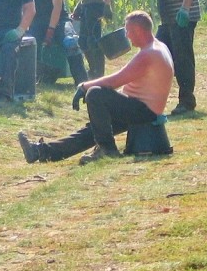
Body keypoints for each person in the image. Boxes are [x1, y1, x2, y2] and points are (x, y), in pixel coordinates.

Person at [17, 11, 174, 165]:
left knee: (95, 94)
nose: (127, 35)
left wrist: (84, 86)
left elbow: (115, 80)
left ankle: (107, 149)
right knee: (93, 130)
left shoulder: (148, 55)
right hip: (140, 108)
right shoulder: (158, 47)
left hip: (145, 112)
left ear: (138, 30)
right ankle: (41, 151)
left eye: (128, 31)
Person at [150, 0, 202, 115]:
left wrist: (185, 10)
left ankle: (187, 100)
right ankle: (152, 99)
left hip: (181, 20)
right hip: (168, 21)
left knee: (182, 58)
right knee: (157, 54)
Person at [21, 0, 86, 83]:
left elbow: (57, 7)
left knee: (71, 42)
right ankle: (33, 80)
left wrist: (51, 29)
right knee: (27, 44)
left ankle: (82, 83)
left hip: (59, 20)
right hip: (36, 21)